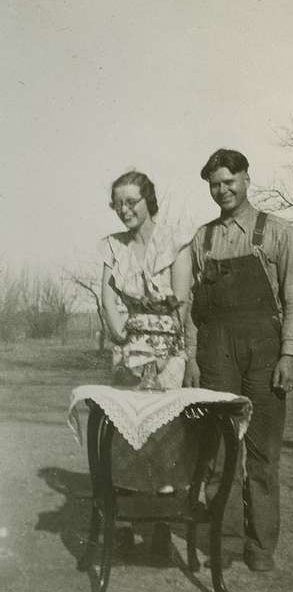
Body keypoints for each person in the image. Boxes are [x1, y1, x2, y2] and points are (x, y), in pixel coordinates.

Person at [184, 148, 293, 572]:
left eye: (229, 181)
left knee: (262, 453)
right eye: (215, 184)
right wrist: (191, 359)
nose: (222, 191)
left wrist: (288, 354)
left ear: (247, 179)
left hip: (264, 350)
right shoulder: (202, 239)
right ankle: (228, 540)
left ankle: (260, 546)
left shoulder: (277, 232)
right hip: (215, 349)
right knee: (221, 452)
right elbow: (191, 309)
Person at [99, 170, 194, 556]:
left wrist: (157, 344)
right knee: (125, 437)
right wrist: (122, 336)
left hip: (169, 353)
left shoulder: (176, 241)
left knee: (163, 438)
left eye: (131, 202)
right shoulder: (112, 247)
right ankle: (123, 522)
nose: (124, 210)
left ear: (148, 200)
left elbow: (181, 299)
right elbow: (107, 299)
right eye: (118, 203)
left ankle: (160, 528)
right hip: (127, 353)